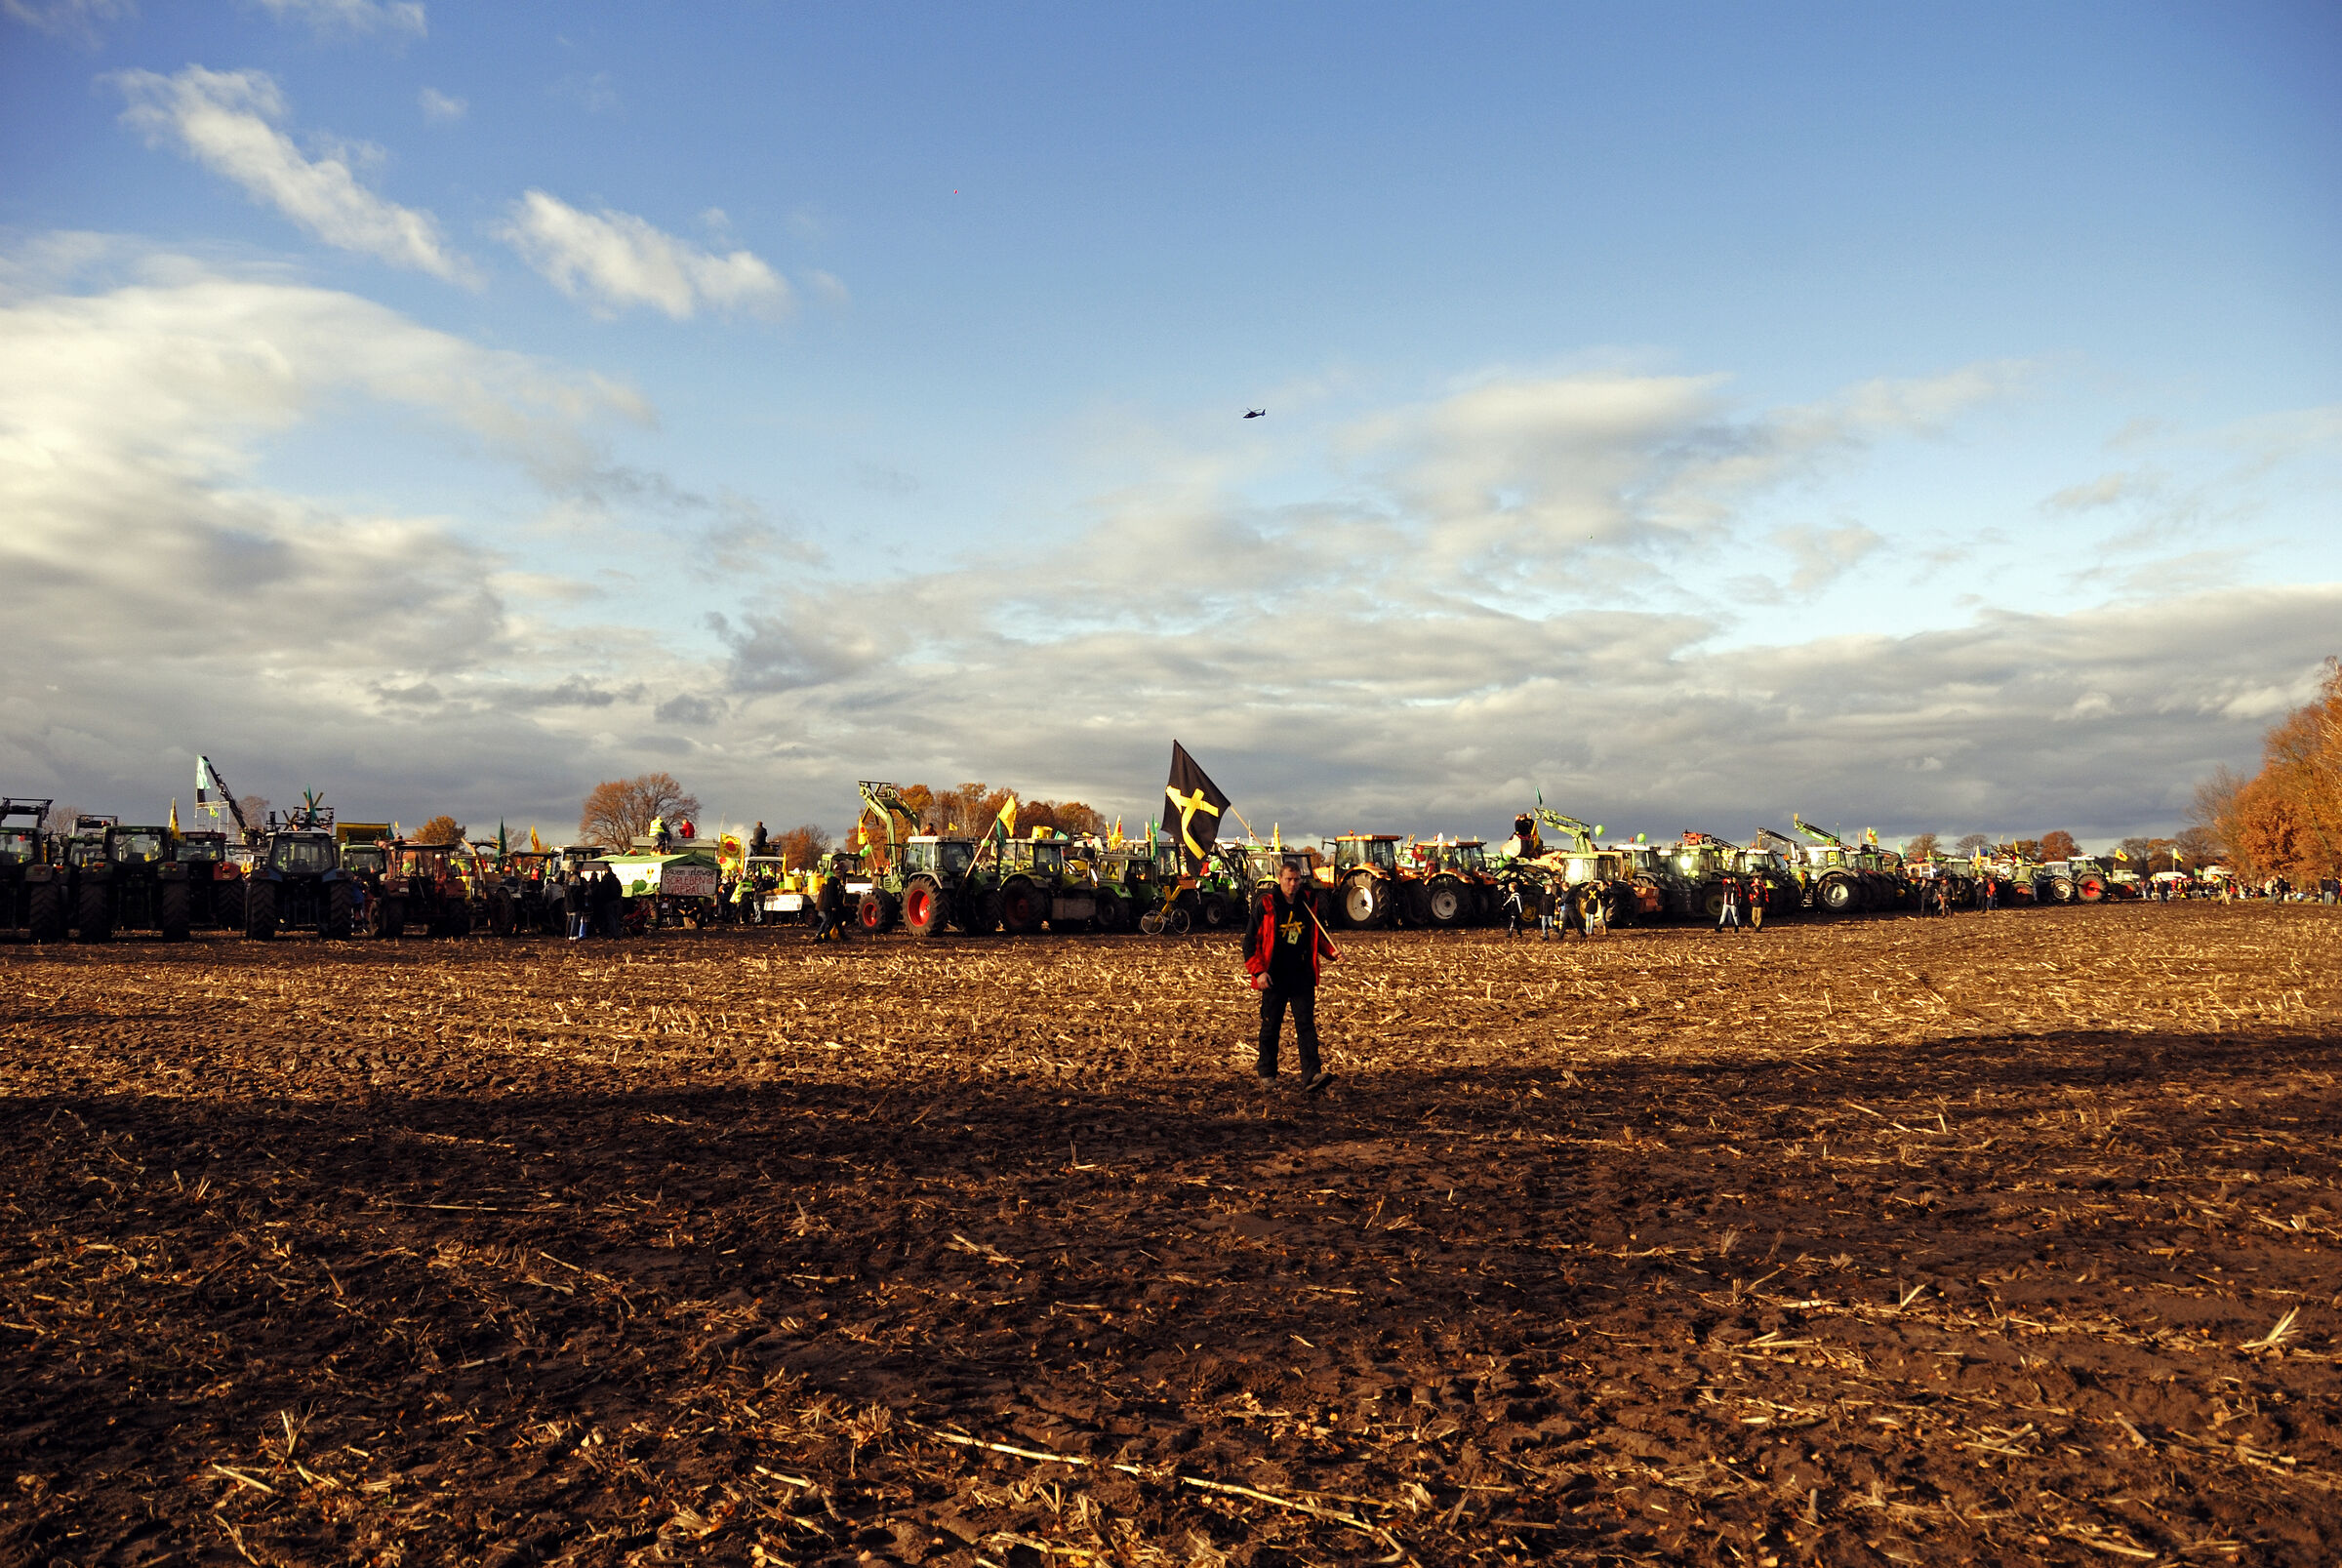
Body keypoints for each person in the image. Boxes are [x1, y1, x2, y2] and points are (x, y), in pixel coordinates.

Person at [1242, 860, 1339, 1094]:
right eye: (1289, 879)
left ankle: (1312, 1075)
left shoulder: (1308, 903)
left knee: (1306, 1025)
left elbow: (1317, 937)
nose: (1293, 884)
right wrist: (1258, 972)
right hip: (1274, 976)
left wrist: (1332, 953)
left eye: (1297, 880)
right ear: (1280, 879)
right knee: (1270, 1026)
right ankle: (1267, 1074)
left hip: (1302, 975)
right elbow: (1249, 942)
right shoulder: (1266, 904)